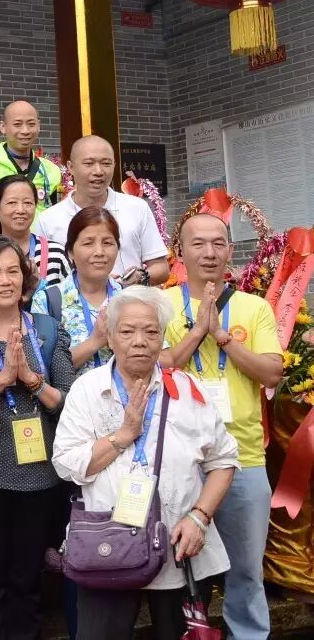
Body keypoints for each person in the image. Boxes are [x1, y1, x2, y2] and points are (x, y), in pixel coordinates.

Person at [53, 286, 238, 640]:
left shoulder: (187, 390)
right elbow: (65, 463)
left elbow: (224, 459)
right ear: (109, 337)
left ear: (162, 337)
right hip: (107, 546)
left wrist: (200, 517)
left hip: (178, 545)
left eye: (151, 331)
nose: (140, 341)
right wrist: (123, 435)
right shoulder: (87, 390)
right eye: (127, 331)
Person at [161, 213, 283, 640]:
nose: (209, 253)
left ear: (231, 250)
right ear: (180, 252)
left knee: (246, 571)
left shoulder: (254, 307)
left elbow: (271, 372)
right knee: (177, 571)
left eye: (218, 243)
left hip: (243, 457)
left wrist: (224, 336)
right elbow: (156, 365)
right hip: (178, 459)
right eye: (198, 244)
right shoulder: (161, 304)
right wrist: (198, 332)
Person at [0, 237, 75, 640]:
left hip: (41, 476)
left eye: (12, 271)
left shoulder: (47, 329)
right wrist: (2, 381)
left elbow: (69, 404)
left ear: (25, 278)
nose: (5, 281)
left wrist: (32, 381)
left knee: (27, 581)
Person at [34, 136, 170, 287]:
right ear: (71, 167)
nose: (98, 171)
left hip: (131, 299)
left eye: (106, 163)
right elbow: (40, 277)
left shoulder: (137, 208)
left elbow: (161, 268)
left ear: (114, 165)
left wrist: (139, 278)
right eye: (89, 163)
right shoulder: (48, 220)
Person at [31, 207, 122, 373]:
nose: (99, 252)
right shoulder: (48, 300)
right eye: (88, 243)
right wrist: (95, 342)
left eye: (107, 243)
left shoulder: (130, 298)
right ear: (70, 252)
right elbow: (40, 368)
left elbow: (159, 357)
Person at [0, 101, 62, 217]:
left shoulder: (51, 170)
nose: (25, 131)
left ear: (39, 126)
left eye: (31, 124)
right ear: (3, 127)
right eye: (17, 124)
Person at [0, 174, 69, 290]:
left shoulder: (56, 253)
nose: (21, 210)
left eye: (28, 203)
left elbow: (71, 296)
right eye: (12, 203)